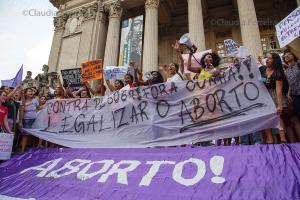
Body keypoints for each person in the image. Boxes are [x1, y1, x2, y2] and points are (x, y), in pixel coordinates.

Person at [261, 53, 288, 144]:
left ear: (275, 61)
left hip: (275, 96)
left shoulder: (278, 72)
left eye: (270, 58)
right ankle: (270, 139)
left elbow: (279, 90)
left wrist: (279, 105)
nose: (267, 60)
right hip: (266, 97)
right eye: (267, 58)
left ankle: (283, 139)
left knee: (277, 117)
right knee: (266, 118)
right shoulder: (264, 70)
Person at [282, 46, 300, 142]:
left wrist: (291, 48)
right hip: (295, 95)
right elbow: (289, 84)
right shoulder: (286, 71)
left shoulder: (298, 64)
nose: (287, 56)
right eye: (285, 56)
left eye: (289, 54)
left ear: (293, 55)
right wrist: (289, 94)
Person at [19, 88, 39, 152]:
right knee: (25, 135)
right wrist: (20, 121)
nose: (31, 92)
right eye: (29, 91)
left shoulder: (35, 100)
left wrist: (47, 104)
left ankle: (30, 148)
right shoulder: (23, 101)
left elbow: (39, 108)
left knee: (33, 135)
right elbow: (22, 111)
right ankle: (22, 150)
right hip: (26, 120)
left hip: (35, 120)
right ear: (25, 93)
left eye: (32, 91)